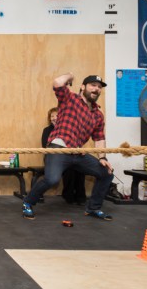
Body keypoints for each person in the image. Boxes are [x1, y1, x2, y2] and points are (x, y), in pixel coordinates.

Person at [22, 74, 115, 221]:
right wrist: (71, 76)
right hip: (58, 149)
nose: (96, 89)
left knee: (106, 173)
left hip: (77, 153)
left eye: (99, 87)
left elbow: (99, 138)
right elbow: (57, 82)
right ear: (82, 87)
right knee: (52, 179)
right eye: (93, 85)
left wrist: (102, 158)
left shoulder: (98, 115)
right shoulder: (69, 99)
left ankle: (93, 208)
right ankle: (28, 202)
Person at [41, 107, 86, 204]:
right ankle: (68, 195)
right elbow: (45, 146)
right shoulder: (47, 130)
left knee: (80, 167)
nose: (54, 118)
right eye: (52, 116)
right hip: (53, 158)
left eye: (56, 115)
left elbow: (76, 143)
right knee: (69, 168)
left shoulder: (69, 129)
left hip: (70, 156)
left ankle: (80, 196)